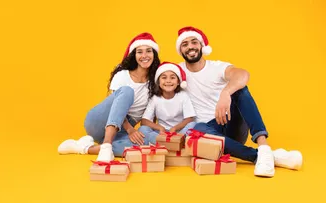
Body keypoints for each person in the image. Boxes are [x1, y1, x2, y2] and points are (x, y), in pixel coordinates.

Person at [175, 26, 302, 177]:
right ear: (181, 51)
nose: (190, 47)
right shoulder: (176, 72)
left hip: (229, 124)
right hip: (206, 135)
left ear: (202, 46)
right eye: (185, 44)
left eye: (194, 42)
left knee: (240, 90)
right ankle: (264, 156)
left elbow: (243, 74)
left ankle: (263, 144)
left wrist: (226, 93)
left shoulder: (217, 67)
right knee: (197, 129)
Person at [57, 32, 160, 162]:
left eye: (148, 51)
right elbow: (116, 106)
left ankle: (83, 148)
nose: (144, 55)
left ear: (154, 54)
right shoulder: (122, 75)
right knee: (127, 92)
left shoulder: (156, 81)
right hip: (100, 120)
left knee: (147, 144)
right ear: (134, 55)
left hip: (121, 132)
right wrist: (130, 129)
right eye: (140, 52)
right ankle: (106, 146)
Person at [138, 62, 197, 140]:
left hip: (179, 132)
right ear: (158, 82)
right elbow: (144, 121)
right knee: (142, 129)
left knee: (193, 125)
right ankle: (169, 142)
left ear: (178, 82)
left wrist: (175, 128)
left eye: (172, 78)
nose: (168, 81)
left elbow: (190, 119)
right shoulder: (155, 98)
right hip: (161, 133)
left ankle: (173, 141)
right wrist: (160, 128)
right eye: (164, 78)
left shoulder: (183, 96)